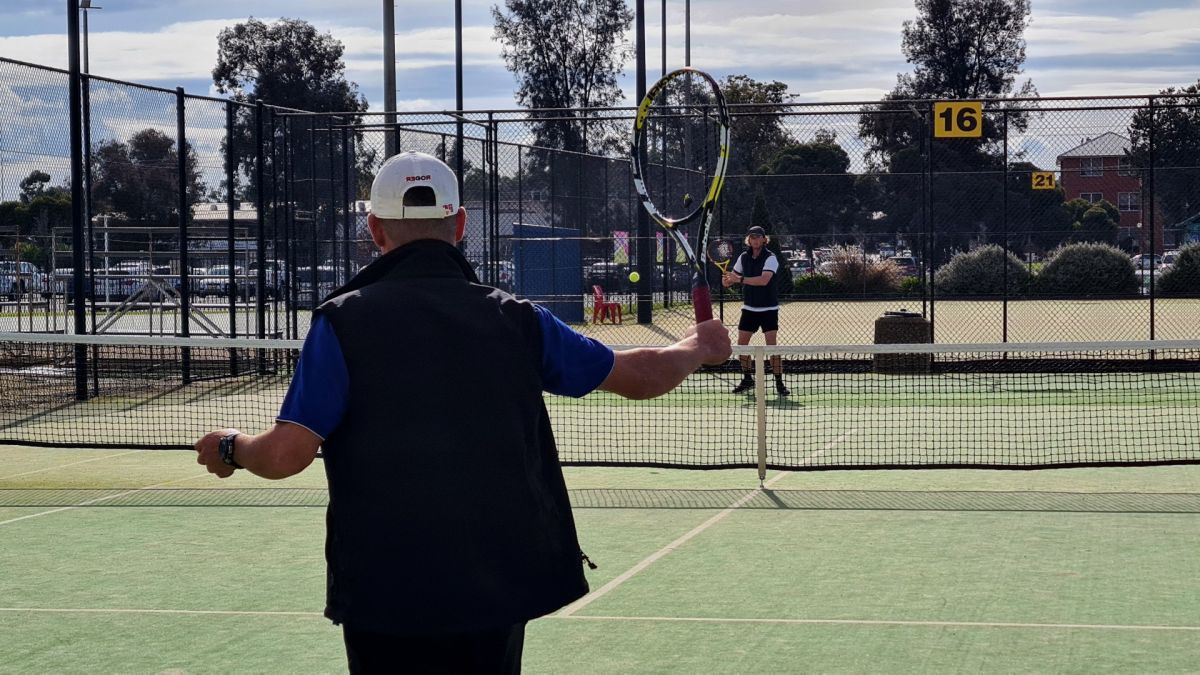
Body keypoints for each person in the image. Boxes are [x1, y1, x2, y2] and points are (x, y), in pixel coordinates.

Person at [194, 152, 731, 674]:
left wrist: (230, 446)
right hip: (494, 587)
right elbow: (638, 376)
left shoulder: (340, 322)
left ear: (375, 231)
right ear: (460, 225)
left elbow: (287, 455)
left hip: (384, 591)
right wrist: (695, 347)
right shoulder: (518, 319)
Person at [721, 225, 789, 396]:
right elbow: (731, 279)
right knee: (742, 346)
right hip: (749, 309)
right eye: (752, 237)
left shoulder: (771, 258)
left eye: (759, 237)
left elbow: (763, 280)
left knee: (771, 347)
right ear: (748, 240)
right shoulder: (743, 257)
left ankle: (779, 382)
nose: (756, 240)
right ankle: (747, 379)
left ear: (764, 239)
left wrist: (739, 279)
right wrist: (727, 281)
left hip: (769, 309)